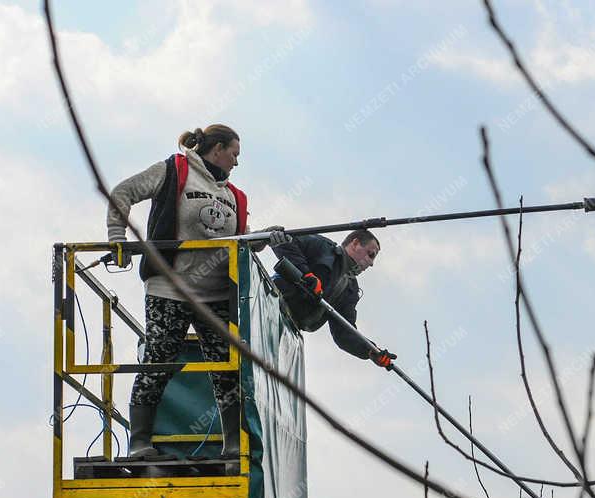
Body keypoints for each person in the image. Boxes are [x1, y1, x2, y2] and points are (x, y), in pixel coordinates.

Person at [105, 123, 273, 462]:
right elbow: (122, 193)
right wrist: (116, 238)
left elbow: (243, 241)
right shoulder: (174, 169)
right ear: (217, 150)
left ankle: (231, 445)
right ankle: (140, 444)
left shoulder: (235, 196)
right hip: (170, 287)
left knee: (227, 369)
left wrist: (266, 238)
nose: (237, 163)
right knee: (159, 361)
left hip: (214, 296)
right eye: (234, 154)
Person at [269, 229, 395, 368]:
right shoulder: (322, 247)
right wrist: (306, 274)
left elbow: (344, 333)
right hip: (268, 302)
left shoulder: (349, 291)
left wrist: (370, 350)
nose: (371, 263)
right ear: (355, 243)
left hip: (286, 330)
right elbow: (284, 242)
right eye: (370, 255)